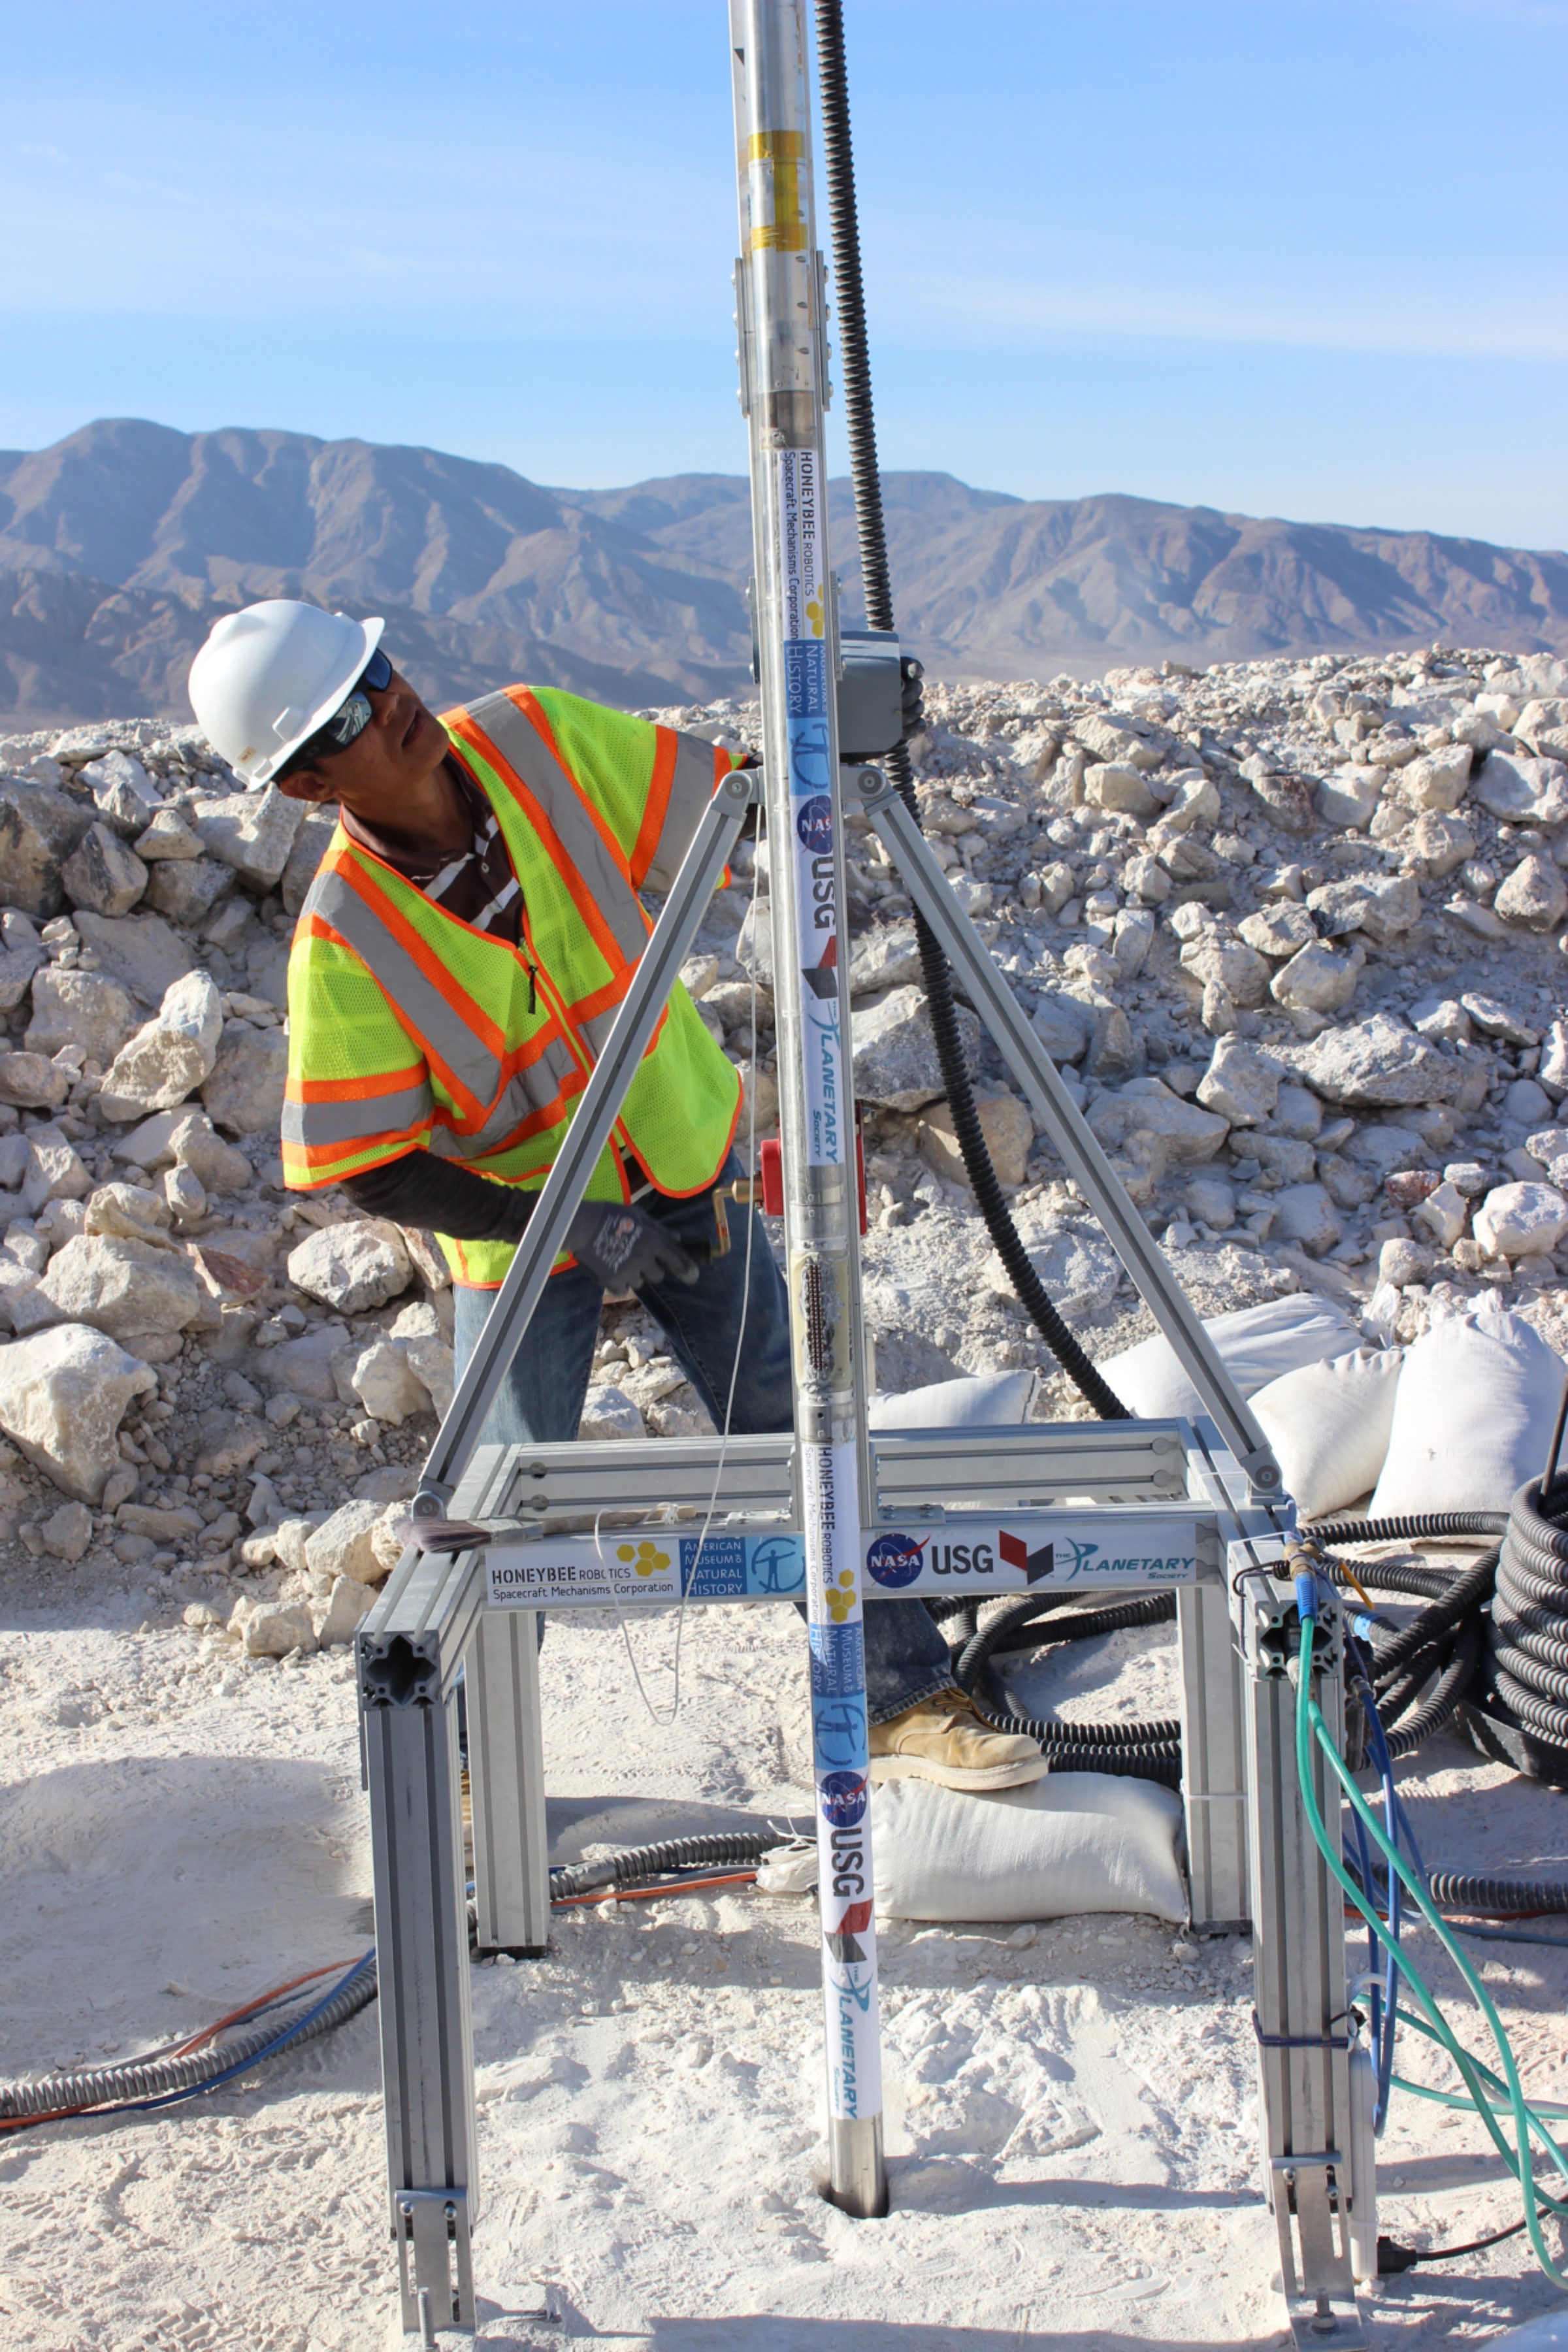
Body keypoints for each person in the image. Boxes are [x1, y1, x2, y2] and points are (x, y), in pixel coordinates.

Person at [188, 598, 1046, 1791]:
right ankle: (471, 1778)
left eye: (379, 673)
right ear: (307, 785)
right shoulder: (347, 933)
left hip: (686, 1164)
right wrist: (569, 1222)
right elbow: (365, 1155)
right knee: (504, 1510)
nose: (394, 703)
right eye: (350, 711)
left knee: (800, 1434)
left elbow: (735, 807)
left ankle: (903, 1700)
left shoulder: (538, 739)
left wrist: (813, 777)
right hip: (525, 1239)